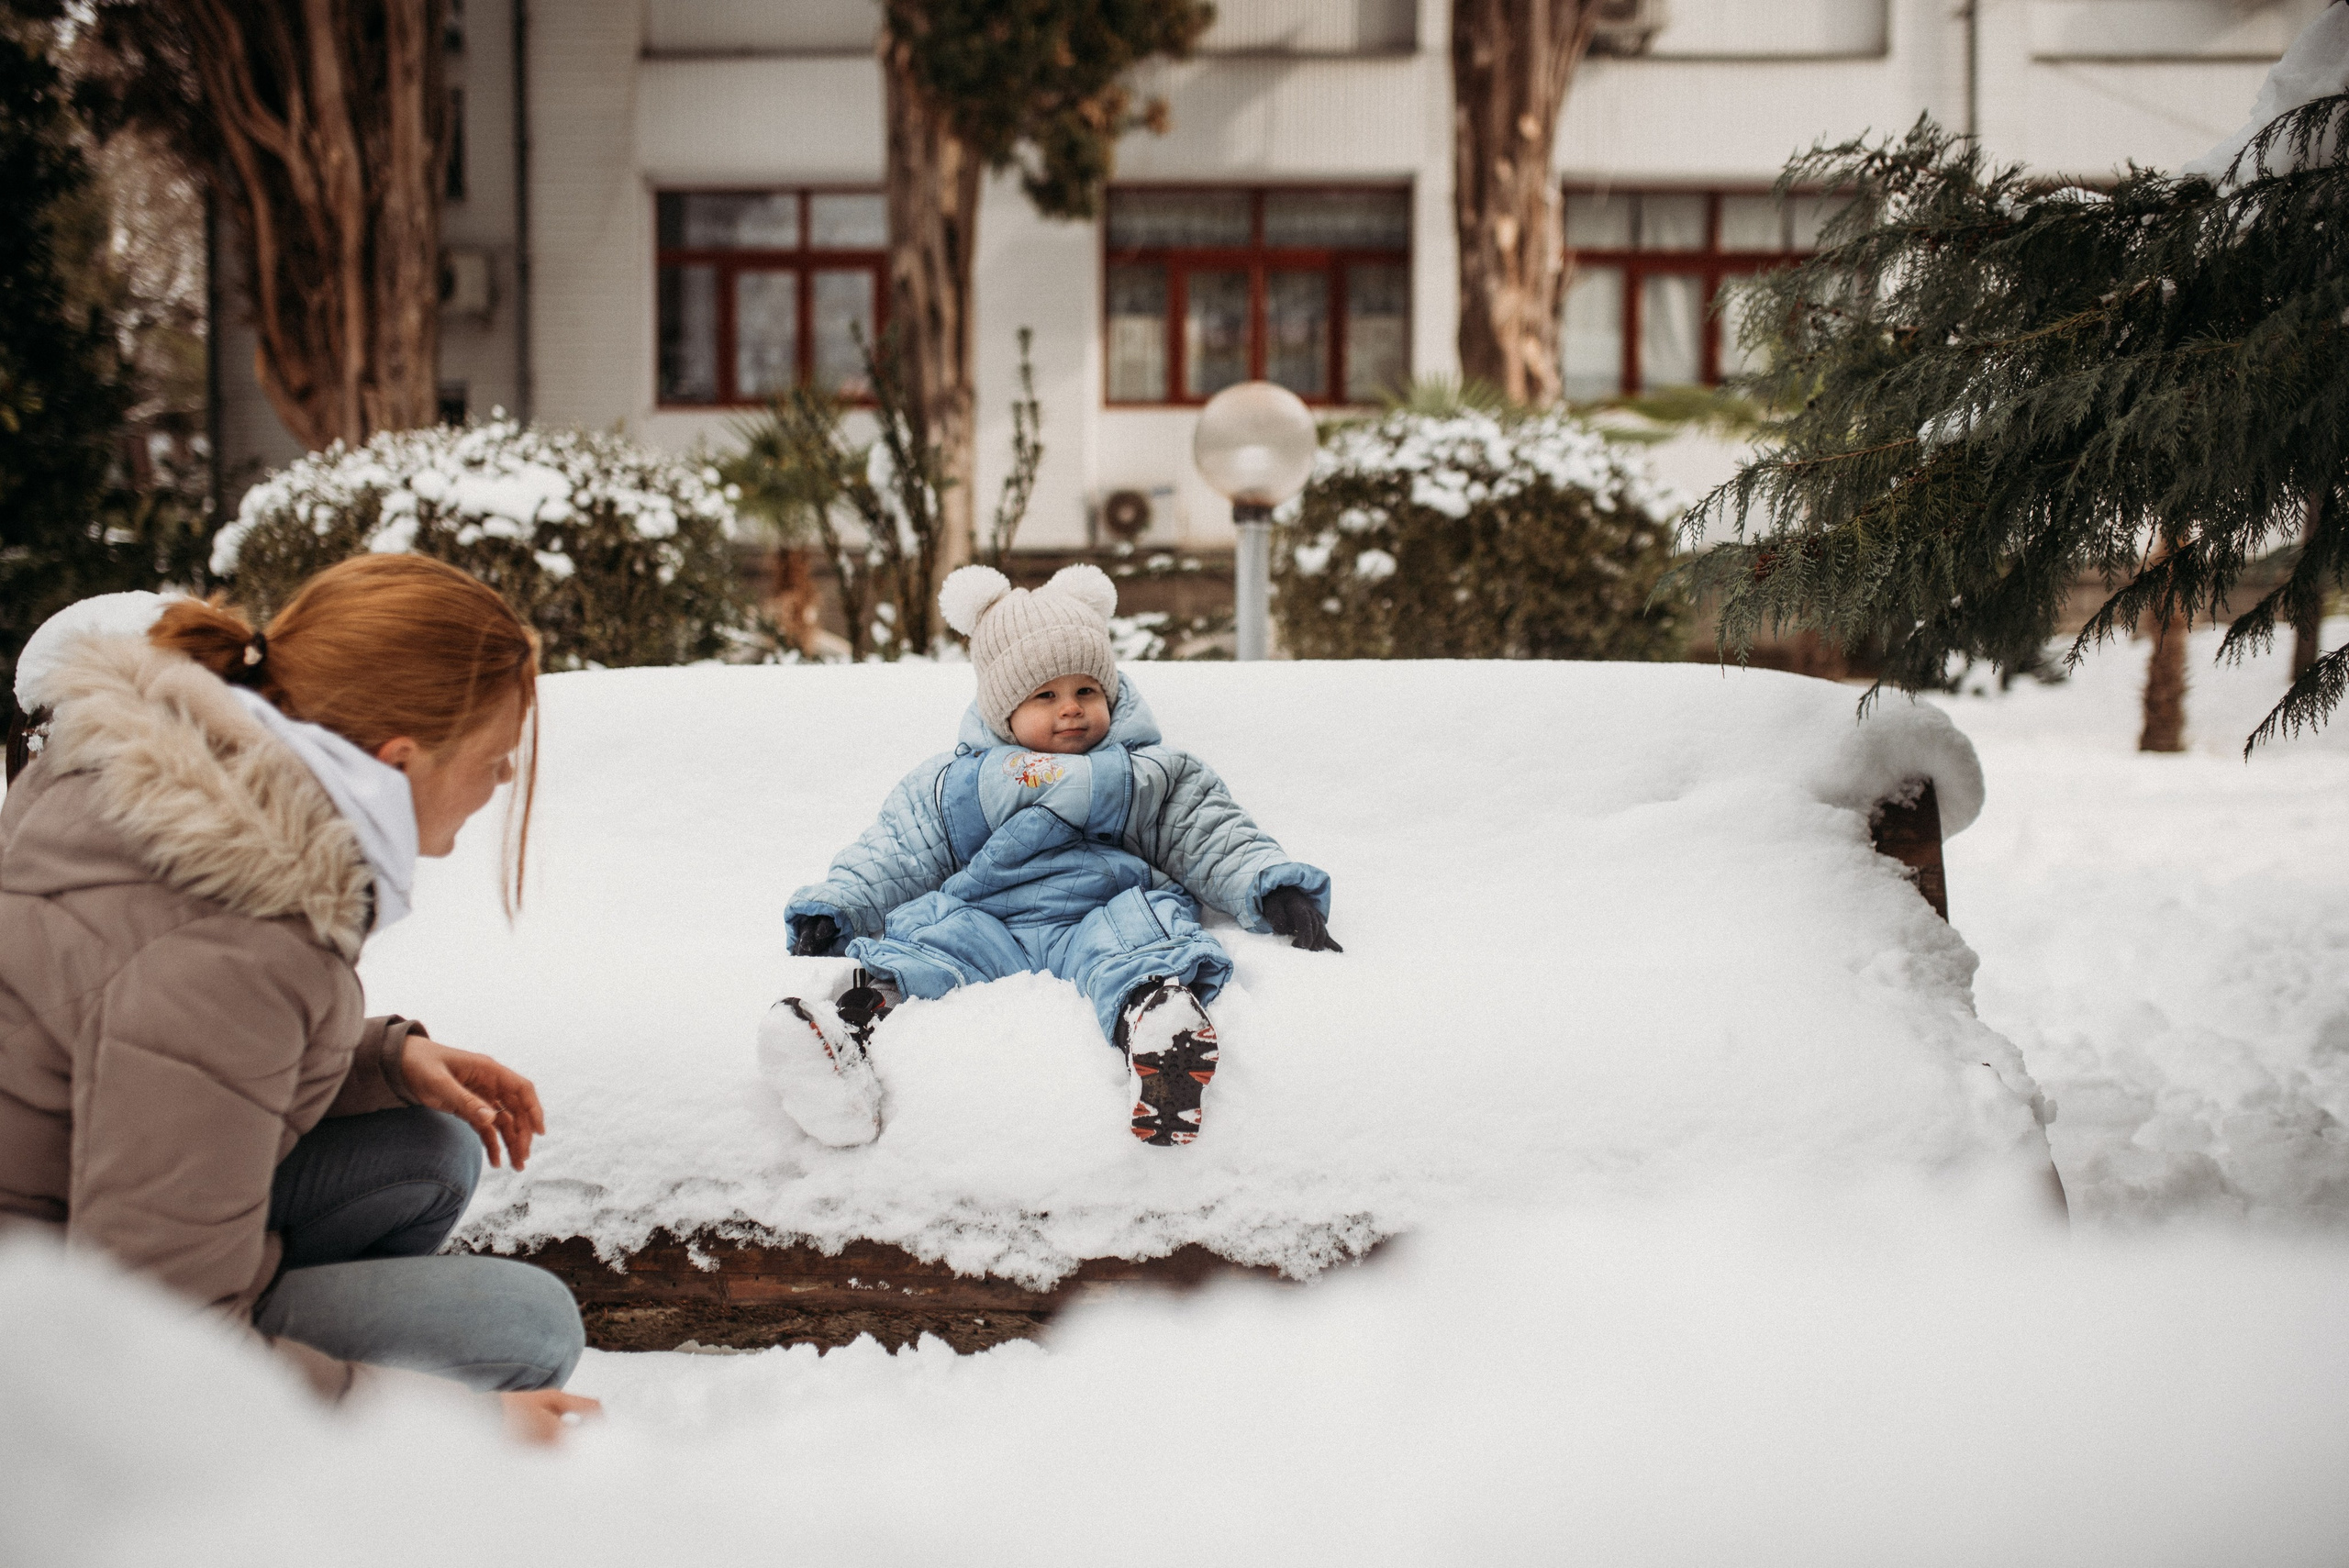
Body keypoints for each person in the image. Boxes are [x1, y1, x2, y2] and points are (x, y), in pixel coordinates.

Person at [0, 557, 598, 1443]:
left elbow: (140, 1037)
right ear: (400, 760)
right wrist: (462, 1425)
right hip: (45, 1342)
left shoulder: (153, 774)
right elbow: (152, 1341)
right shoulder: (239, 948)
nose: (503, 783)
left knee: (431, 1152)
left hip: (79, 1220)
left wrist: (385, 1058)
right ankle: (271, 1473)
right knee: (524, 1327)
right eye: (494, 759)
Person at [761, 563, 1341, 1150]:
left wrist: (1272, 887)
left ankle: (1162, 1032)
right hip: (987, 916)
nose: (1072, 708)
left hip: (1101, 910)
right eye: (1046, 695)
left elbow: (1210, 833)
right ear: (1002, 709)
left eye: (1087, 690)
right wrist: (838, 906)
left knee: (1140, 942)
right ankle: (846, 1041)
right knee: (918, 947)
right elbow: (895, 851)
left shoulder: (1144, 772)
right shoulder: (954, 784)